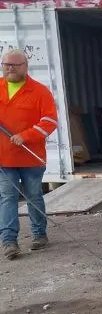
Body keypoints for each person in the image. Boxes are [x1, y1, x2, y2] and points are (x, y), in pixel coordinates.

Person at [0, 49, 58, 260]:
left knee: (33, 195)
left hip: (31, 156)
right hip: (4, 158)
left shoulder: (39, 91)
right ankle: (9, 241)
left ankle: (39, 234)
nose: (10, 68)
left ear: (25, 66)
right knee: (8, 197)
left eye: (15, 65)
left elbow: (50, 121)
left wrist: (26, 136)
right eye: (6, 64)